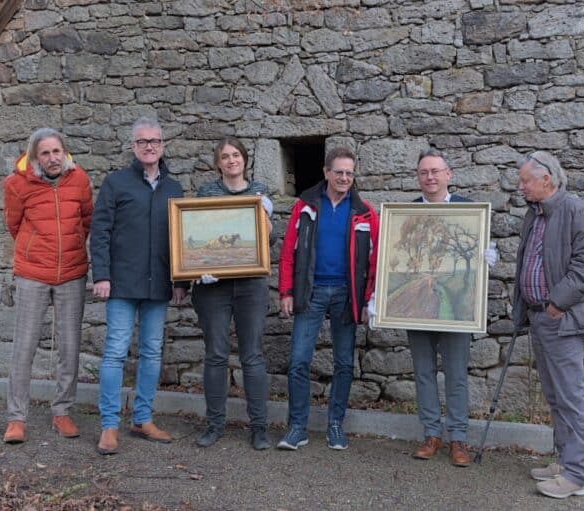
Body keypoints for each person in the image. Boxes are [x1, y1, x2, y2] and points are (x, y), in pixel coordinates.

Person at [514, 151, 584, 499]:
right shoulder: (537, 214)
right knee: (556, 395)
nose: (521, 186)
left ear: (546, 179)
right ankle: (564, 460)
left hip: (560, 318)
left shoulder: (576, 211)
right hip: (538, 316)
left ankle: (576, 475)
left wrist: (558, 302)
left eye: (526, 180)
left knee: (571, 395)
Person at [90, 117, 187, 455]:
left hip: (159, 285)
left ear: (162, 146)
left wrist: (180, 282)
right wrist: (101, 275)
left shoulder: (174, 189)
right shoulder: (116, 183)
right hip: (120, 284)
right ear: (133, 146)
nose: (149, 146)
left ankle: (142, 418)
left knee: (151, 354)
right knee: (115, 353)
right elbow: (99, 232)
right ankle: (109, 425)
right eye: (143, 141)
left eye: (155, 141)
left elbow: (181, 240)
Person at [277, 146, 379, 451]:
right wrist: (286, 291)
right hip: (311, 291)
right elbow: (287, 253)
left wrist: (367, 299)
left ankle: (335, 425)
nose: (345, 178)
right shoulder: (305, 206)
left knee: (344, 363)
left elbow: (374, 262)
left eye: (349, 173)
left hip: (347, 295)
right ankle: (297, 428)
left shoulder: (365, 212)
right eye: (339, 172)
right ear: (326, 173)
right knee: (298, 361)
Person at [403, 148, 497, 466]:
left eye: (435, 171)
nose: (430, 177)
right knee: (424, 373)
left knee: (456, 374)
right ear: (418, 177)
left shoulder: (469, 211)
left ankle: (459, 439)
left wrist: (485, 259)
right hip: (418, 310)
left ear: (448, 174)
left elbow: (473, 254)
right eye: (424, 172)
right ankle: (431, 434)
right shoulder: (406, 214)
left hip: (459, 309)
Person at [1, 128, 93, 444]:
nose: (53, 158)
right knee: (23, 347)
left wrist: (73, 245)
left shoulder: (79, 179)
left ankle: (62, 411)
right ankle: (16, 418)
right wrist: (35, 249)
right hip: (32, 274)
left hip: (72, 272)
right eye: (45, 153)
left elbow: (86, 219)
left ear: (64, 152)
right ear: (33, 156)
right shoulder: (17, 184)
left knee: (69, 347)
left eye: (57, 151)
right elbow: (14, 225)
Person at [191, 137, 273, 451]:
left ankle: (260, 428)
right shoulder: (206, 193)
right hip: (214, 286)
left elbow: (269, 239)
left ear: (244, 159)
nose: (231, 160)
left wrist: (264, 213)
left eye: (235, 155)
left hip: (251, 283)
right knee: (215, 355)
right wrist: (198, 268)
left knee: (252, 355)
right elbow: (195, 235)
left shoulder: (259, 192)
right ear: (218, 162)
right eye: (224, 156)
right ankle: (214, 424)